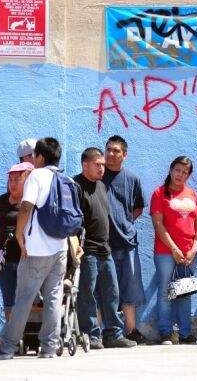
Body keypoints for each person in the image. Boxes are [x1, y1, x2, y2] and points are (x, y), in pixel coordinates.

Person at [0, 137, 69, 360]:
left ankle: (7, 347)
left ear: (40, 157)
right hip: (60, 247)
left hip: (37, 249)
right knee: (53, 298)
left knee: (23, 298)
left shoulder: (36, 176)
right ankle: (49, 348)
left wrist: (21, 235)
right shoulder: (65, 178)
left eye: (35, 155)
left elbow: (25, 207)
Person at [74, 148, 136, 350]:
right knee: (87, 295)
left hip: (104, 249)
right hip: (86, 251)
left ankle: (113, 335)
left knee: (112, 293)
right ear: (85, 165)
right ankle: (91, 334)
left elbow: (105, 216)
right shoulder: (76, 186)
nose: (102, 168)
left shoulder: (101, 186)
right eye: (97, 164)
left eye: (103, 164)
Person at [150, 156, 197, 345]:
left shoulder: (192, 195)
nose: (180, 175)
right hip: (165, 251)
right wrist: (173, 248)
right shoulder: (159, 193)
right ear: (171, 170)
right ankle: (165, 332)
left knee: (184, 291)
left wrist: (194, 248)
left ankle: (185, 333)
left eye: (185, 172)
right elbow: (158, 224)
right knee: (165, 291)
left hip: (189, 252)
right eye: (177, 170)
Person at [102, 135, 146, 343]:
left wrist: (125, 223)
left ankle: (131, 330)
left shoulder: (132, 178)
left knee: (130, 289)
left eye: (116, 151)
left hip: (127, 242)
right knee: (102, 290)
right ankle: (97, 332)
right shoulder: (96, 177)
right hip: (102, 244)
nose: (110, 154)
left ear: (124, 155)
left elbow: (138, 207)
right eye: (108, 149)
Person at [0, 162, 34, 321]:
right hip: (3, 259)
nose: (13, 183)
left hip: (26, 259)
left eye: (17, 179)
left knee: (25, 300)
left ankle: (24, 335)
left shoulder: (32, 202)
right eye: (10, 179)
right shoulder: (1, 201)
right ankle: (12, 339)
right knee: (9, 299)